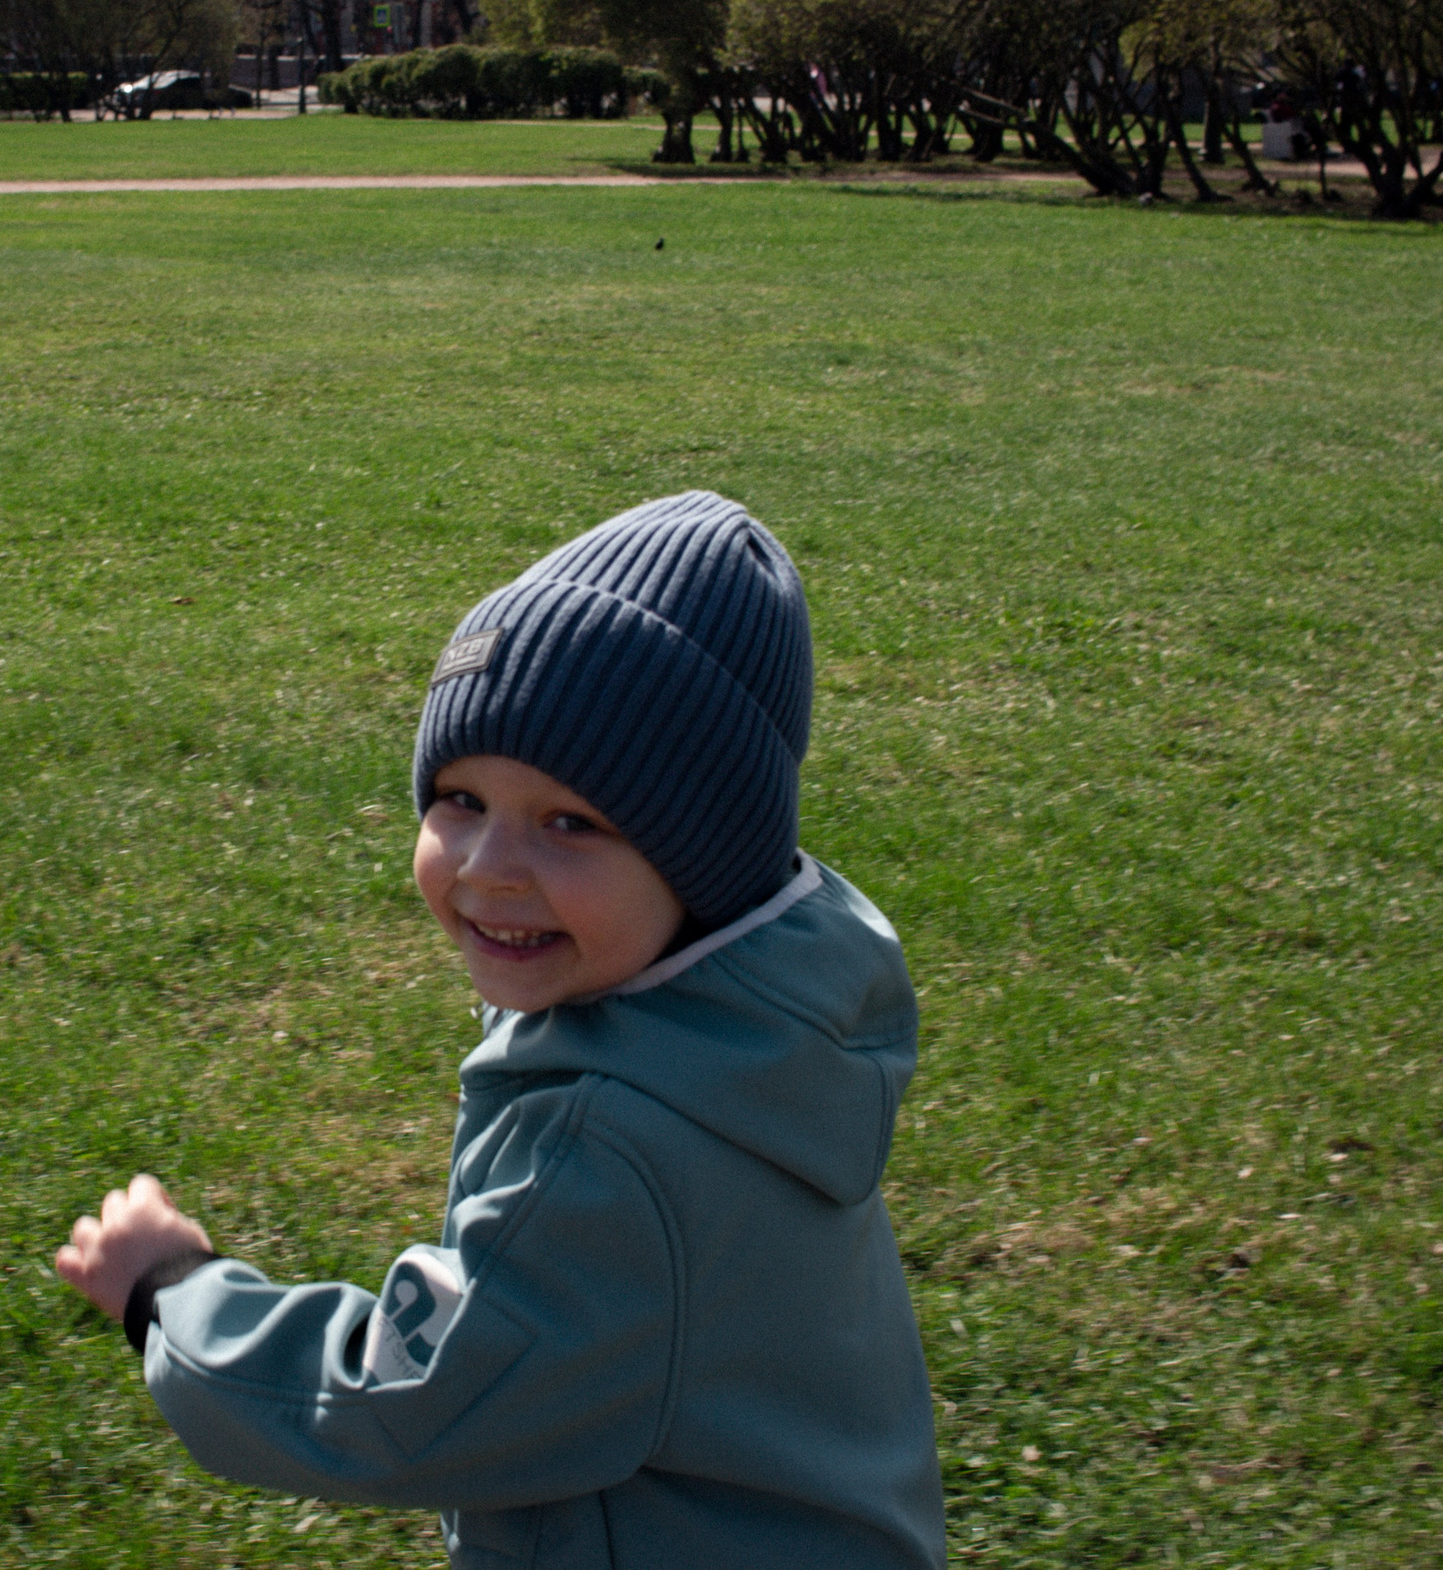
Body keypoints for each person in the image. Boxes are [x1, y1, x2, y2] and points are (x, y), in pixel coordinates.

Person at [57, 491, 948, 1569]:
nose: (486, 866)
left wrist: (176, 1297)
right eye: (461, 797)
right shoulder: (759, 1025)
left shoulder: (612, 1153)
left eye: (572, 822)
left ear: (703, 861)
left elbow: (407, 1404)